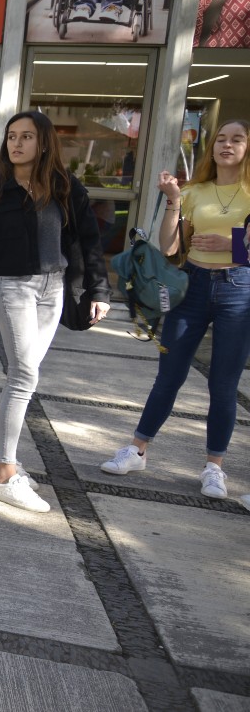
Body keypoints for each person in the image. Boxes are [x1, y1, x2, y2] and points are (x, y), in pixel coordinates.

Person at [0, 111, 111, 513]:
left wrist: (98, 289)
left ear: (43, 143)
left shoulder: (64, 187)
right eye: (12, 136)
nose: (17, 143)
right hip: (11, 288)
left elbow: (88, 241)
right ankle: (5, 474)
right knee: (25, 374)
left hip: (54, 288)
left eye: (26, 136)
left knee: (24, 375)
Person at [101, 119, 250, 499]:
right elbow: (168, 247)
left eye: (237, 139)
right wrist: (173, 199)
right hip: (194, 285)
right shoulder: (196, 190)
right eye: (221, 139)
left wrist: (230, 244)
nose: (227, 145)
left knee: (224, 383)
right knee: (169, 375)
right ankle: (136, 450)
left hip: (239, 289)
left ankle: (213, 468)